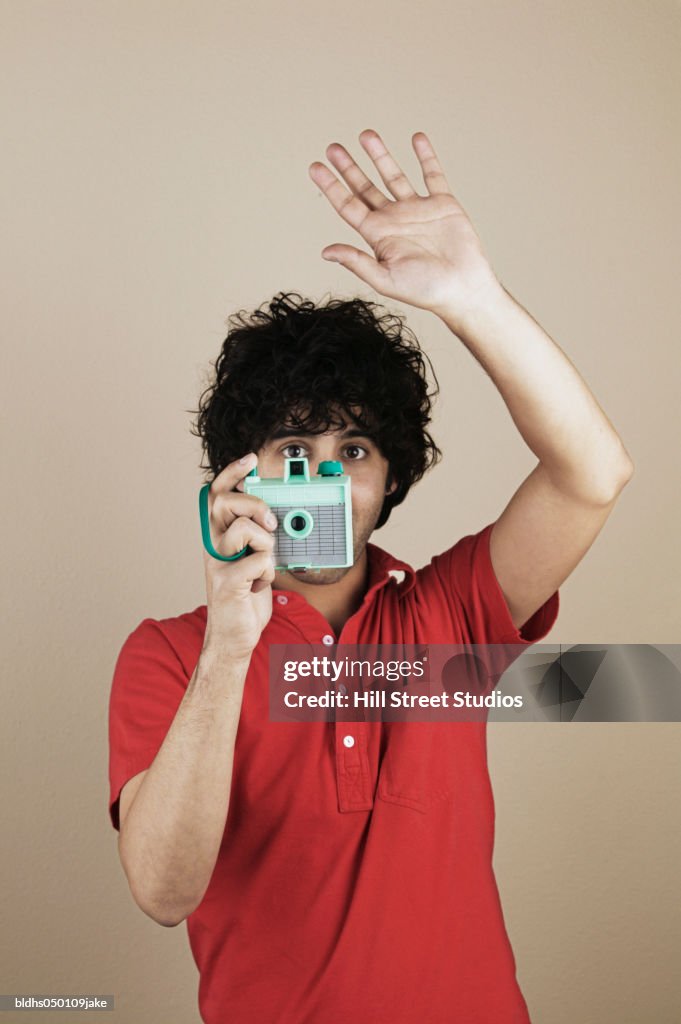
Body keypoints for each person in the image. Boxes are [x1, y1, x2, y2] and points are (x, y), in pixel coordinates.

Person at [108, 130, 633, 1023]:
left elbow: (592, 473)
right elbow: (163, 892)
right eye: (292, 449)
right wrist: (231, 645)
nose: (323, 476)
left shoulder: (449, 613)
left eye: (352, 449)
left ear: (390, 479)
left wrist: (471, 299)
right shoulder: (168, 657)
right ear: (242, 474)